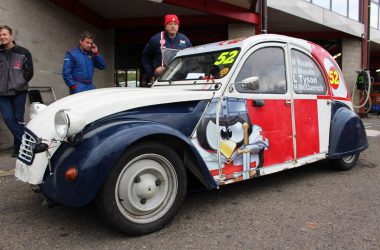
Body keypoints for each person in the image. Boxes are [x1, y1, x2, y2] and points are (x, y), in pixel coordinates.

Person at [0, 25, 34, 157]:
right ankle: (29, 143)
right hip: (2, 93)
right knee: (8, 118)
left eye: (4, 34)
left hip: (19, 91)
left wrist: (19, 82)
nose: (2, 37)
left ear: (11, 35)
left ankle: (18, 148)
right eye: (0, 35)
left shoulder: (23, 52)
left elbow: (29, 72)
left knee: (18, 119)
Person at [141, 14, 192, 85]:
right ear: (165, 26)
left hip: (180, 79)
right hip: (160, 79)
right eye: (170, 24)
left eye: (175, 24)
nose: (173, 26)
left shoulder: (185, 39)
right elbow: (145, 57)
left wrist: (186, 72)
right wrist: (151, 74)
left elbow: (191, 59)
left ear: (178, 26)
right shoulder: (155, 39)